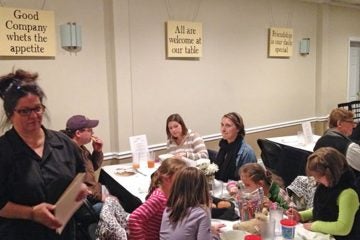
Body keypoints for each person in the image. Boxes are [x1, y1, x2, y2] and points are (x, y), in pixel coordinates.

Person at [0, 69, 87, 240]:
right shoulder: (4, 151)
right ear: (10, 115)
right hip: (21, 234)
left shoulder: (63, 142)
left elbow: (80, 176)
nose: (34, 116)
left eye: (37, 108)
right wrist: (31, 213)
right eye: (25, 111)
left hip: (64, 233)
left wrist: (80, 190)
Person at [286, 147, 360, 239]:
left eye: (318, 177)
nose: (316, 180)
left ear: (330, 173)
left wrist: (314, 226)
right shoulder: (326, 185)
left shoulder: (348, 194)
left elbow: (343, 228)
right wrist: (301, 215)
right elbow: (321, 209)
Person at [128, 157, 187, 240]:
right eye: (181, 179)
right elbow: (134, 219)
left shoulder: (170, 194)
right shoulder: (158, 198)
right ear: (167, 179)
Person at [160, 167, 224, 240]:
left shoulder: (169, 207)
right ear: (202, 188)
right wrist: (215, 236)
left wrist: (209, 229)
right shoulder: (202, 213)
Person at [61, 115, 105, 213]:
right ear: (78, 133)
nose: (93, 133)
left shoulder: (81, 148)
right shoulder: (69, 153)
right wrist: (102, 197)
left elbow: (92, 168)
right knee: (121, 203)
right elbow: (77, 188)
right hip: (84, 204)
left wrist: (97, 151)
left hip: (94, 191)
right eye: (89, 130)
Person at [314, 108, 360, 176]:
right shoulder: (349, 147)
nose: (354, 126)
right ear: (339, 123)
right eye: (351, 122)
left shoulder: (320, 141)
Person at [214, 112, 257, 182]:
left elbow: (248, 182)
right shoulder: (224, 146)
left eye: (228, 125)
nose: (223, 129)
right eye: (222, 125)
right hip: (222, 186)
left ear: (238, 129)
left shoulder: (247, 152)